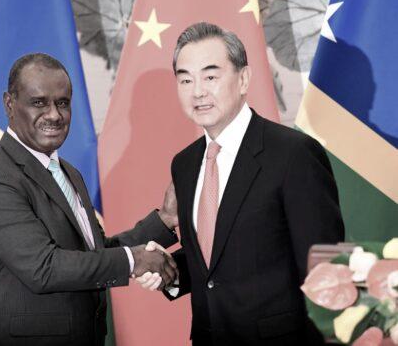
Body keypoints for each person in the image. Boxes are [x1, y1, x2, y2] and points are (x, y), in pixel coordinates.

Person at [137, 22, 345, 345]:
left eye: (210, 76)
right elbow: (217, 260)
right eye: (185, 79)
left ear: (244, 78)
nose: (197, 91)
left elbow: (325, 269)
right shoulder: (185, 163)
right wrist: (170, 270)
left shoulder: (293, 154)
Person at [0, 53, 178, 346]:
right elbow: (44, 267)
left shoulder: (68, 173)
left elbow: (94, 253)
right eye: (39, 102)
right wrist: (134, 260)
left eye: (62, 103)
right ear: (9, 104)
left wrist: (165, 220)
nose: (54, 114)